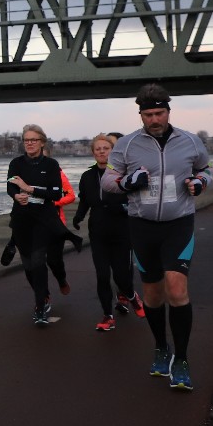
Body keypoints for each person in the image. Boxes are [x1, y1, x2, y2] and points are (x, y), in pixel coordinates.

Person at [102, 83, 212, 392]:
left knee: (176, 287)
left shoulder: (190, 141)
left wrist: (200, 182)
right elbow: (107, 182)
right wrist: (127, 182)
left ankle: (182, 359)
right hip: (142, 226)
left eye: (159, 113)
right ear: (141, 115)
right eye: (148, 115)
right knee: (152, 295)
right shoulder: (126, 145)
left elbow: (206, 169)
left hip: (179, 224)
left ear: (168, 112)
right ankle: (161, 347)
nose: (154, 119)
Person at [72, 133, 139, 331]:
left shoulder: (123, 174)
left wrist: (125, 208)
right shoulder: (87, 176)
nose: (102, 152)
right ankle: (107, 316)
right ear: (93, 153)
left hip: (121, 231)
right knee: (102, 276)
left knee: (121, 277)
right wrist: (78, 217)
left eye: (105, 148)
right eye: (98, 149)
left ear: (113, 151)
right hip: (98, 232)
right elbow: (85, 200)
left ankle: (132, 296)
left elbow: (136, 198)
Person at [7, 123, 70, 325]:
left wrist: (29, 189)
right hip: (21, 219)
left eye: (33, 140)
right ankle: (43, 295)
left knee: (38, 261)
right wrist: (16, 196)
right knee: (28, 265)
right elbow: (10, 186)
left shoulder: (51, 165)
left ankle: (41, 305)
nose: (30, 143)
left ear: (42, 142)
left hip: (44, 220)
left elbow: (55, 194)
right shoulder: (16, 163)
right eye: (26, 140)